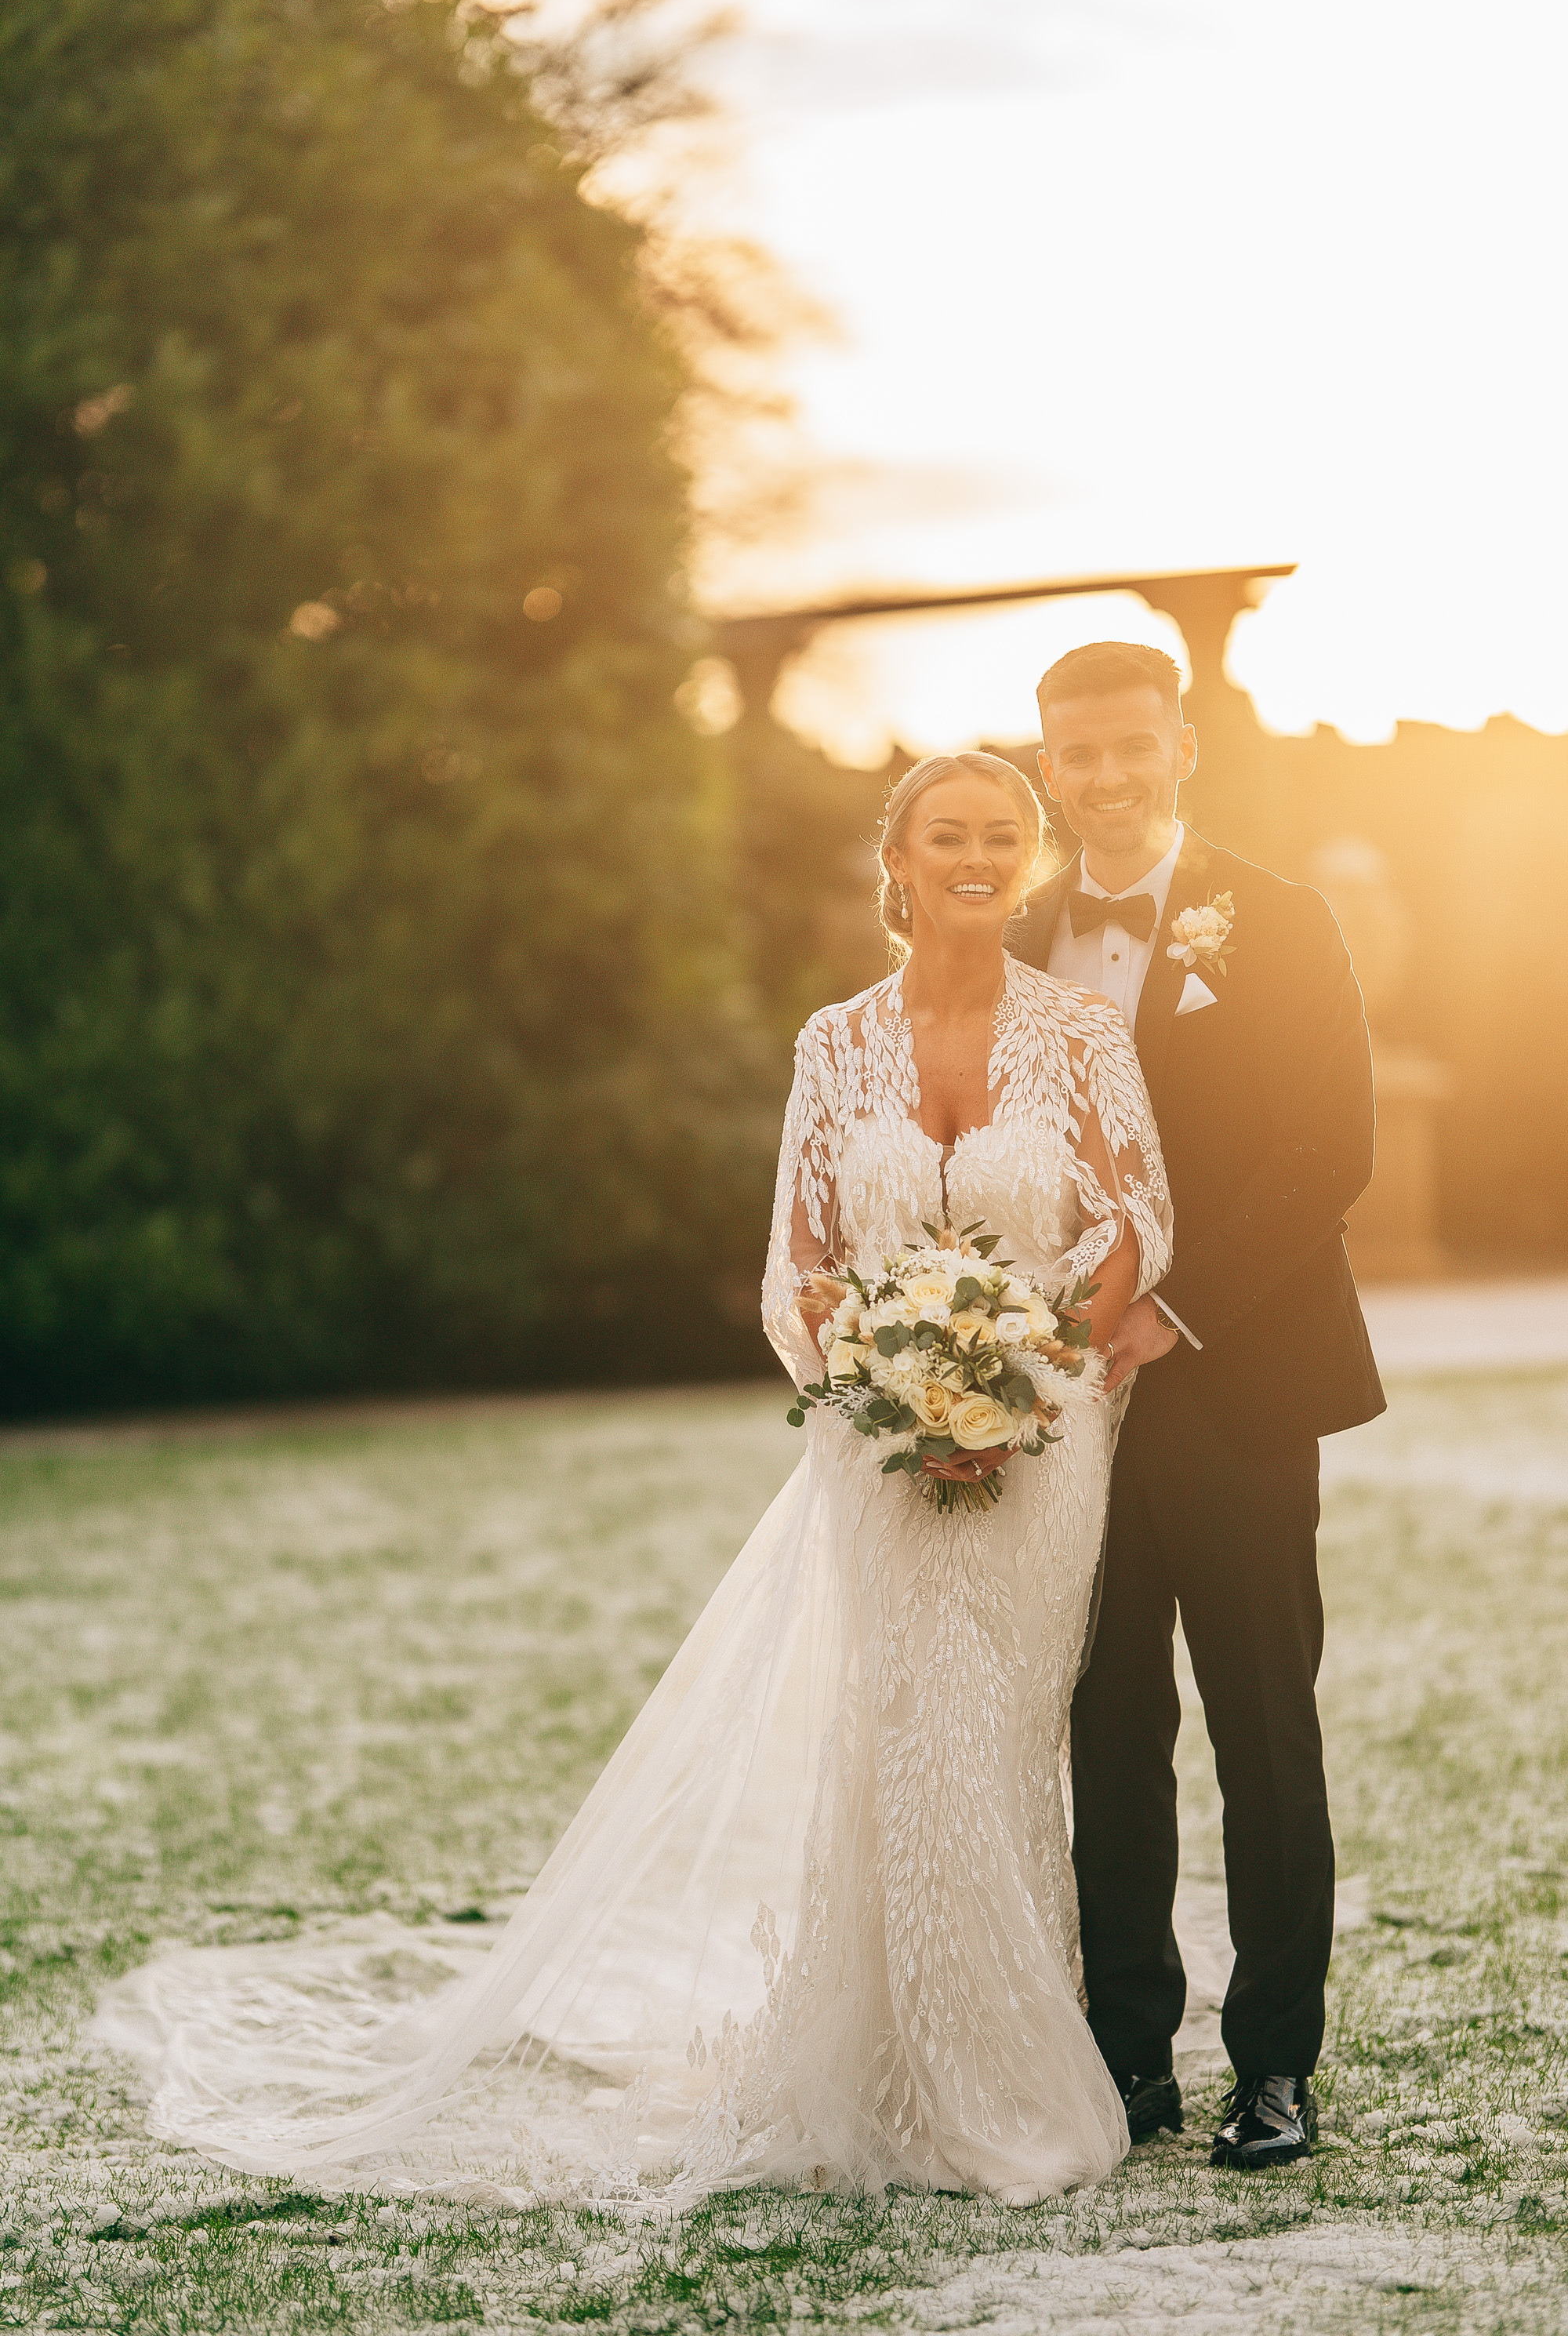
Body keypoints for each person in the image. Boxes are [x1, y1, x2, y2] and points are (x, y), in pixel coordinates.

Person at [95, 750, 1172, 2206]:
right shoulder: (832, 1042)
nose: (975, 857)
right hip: (882, 1449)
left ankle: (996, 2082)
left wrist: (1020, 1386)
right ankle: (910, 2083)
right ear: (900, 861)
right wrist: (893, 1393)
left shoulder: (1084, 1034)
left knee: (980, 1739)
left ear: (1029, 861)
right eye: (947, 836)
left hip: (1040, 1450)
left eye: (1001, 837)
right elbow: (797, 1269)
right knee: (900, 1731)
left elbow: (1132, 1231)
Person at [1013, 642, 1385, 2170]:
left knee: (1259, 1724)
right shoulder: (1017, 934)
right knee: (1103, 1726)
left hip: (1238, 1387)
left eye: (1127, 747)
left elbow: (1331, 1141)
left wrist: (1177, 1307)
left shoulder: (1279, 916)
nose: (1101, 776)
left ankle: (1274, 2065)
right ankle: (1123, 2058)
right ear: (1048, 764)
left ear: (1178, 749)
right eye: (1073, 753)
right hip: (1070, 1412)